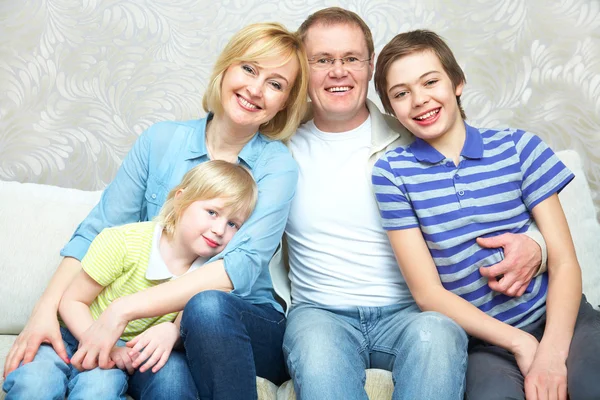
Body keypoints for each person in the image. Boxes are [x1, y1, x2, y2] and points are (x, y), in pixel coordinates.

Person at [3, 22, 309, 400]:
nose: (256, 89)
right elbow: (99, 228)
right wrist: (44, 309)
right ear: (227, 68)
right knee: (164, 381)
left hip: (233, 318)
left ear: (285, 102)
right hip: (147, 322)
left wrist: (132, 313)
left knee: (203, 317)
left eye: (276, 84)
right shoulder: (160, 141)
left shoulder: (277, 166)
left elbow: (239, 266)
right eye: (249, 69)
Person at [277, 7, 547, 400]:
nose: (338, 71)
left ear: (370, 68)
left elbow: (489, 195)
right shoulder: (279, 152)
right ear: (303, 69)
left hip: (413, 312)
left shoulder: (416, 133)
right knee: (318, 357)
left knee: (438, 333)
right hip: (320, 314)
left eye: (351, 58)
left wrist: (538, 245)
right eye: (322, 60)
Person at [372, 29, 600, 400]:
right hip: (485, 344)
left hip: (566, 321)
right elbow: (428, 293)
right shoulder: (392, 174)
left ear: (457, 82)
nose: (419, 100)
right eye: (401, 93)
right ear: (390, 108)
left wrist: (552, 355)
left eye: (430, 81)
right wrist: (521, 344)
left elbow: (564, 262)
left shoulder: (519, 147)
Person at [3, 160, 257, 399]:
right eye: (212, 212)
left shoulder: (210, 275)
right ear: (180, 201)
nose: (220, 230)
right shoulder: (125, 242)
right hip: (71, 332)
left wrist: (116, 353)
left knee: (99, 390)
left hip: (120, 354)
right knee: (35, 382)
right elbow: (72, 301)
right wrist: (107, 347)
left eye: (233, 224)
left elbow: (182, 325)